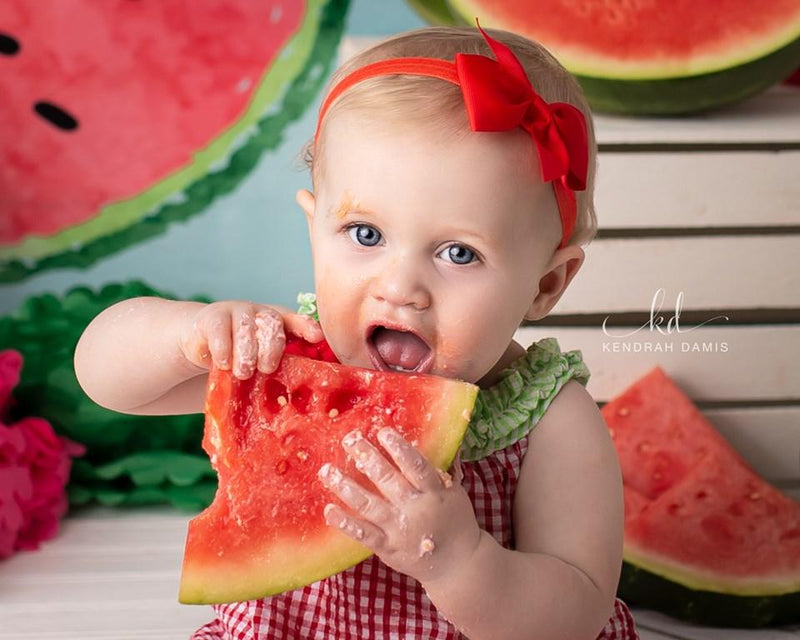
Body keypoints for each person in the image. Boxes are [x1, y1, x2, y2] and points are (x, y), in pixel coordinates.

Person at [75, 21, 640, 640]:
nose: (400, 288)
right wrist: (186, 333)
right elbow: (105, 380)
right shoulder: (288, 359)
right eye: (366, 235)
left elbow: (576, 616)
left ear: (546, 285)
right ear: (314, 229)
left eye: (458, 253)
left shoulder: (552, 420)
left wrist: (459, 561)